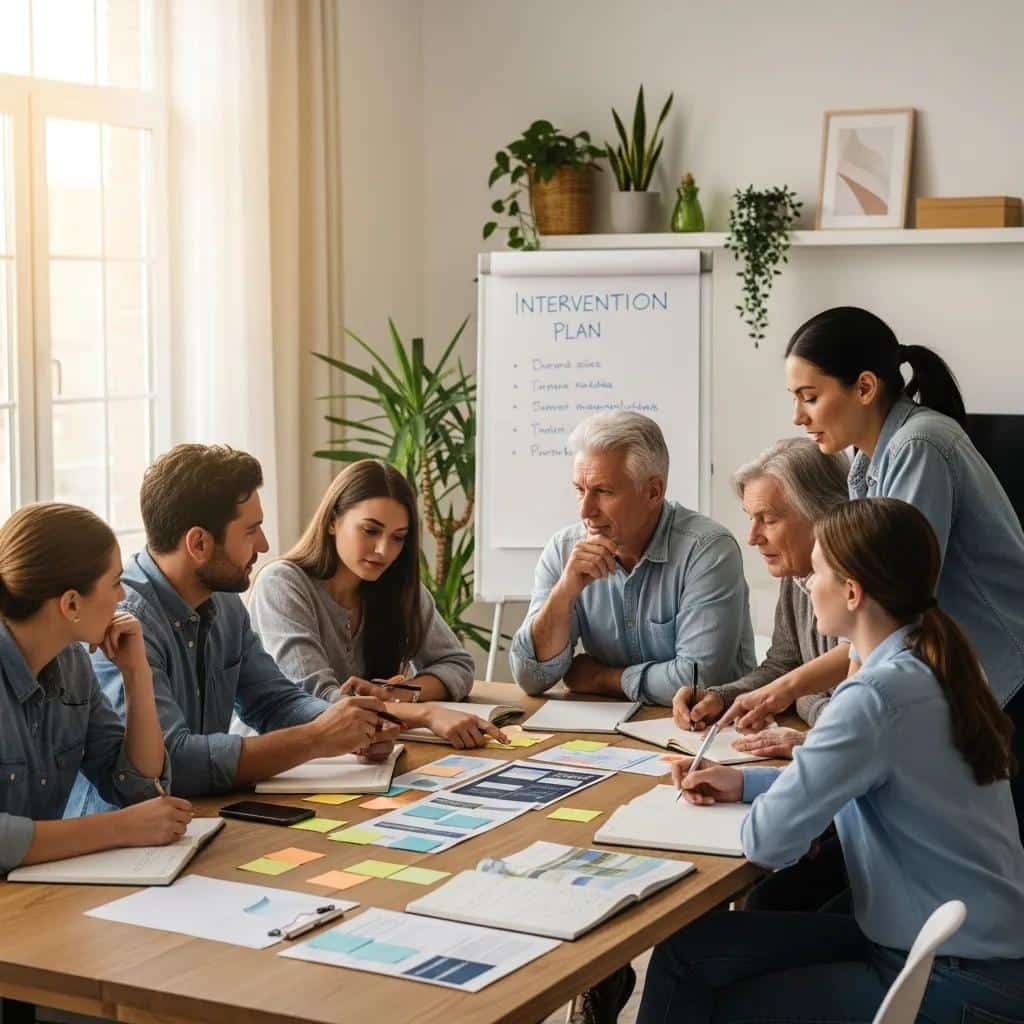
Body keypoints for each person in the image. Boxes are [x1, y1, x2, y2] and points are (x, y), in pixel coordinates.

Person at [638, 497, 1024, 1024]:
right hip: (970, 952)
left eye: (815, 572)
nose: (806, 585)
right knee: (691, 949)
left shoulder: (875, 697)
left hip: (948, 975)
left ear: (852, 591)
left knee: (709, 992)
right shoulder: (938, 663)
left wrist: (777, 794)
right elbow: (870, 781)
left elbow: (769, 841)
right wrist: (745, 781)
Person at [724, 306, 1024, 834]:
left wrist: (828, 725)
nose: (798, 417)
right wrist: (782, 692)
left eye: (809, 397)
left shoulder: (919, 445)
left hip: (1003, 678)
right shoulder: (867, 459)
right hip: (953, 677)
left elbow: (888, 613)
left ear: (864, 387)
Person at [68, 444, 398, 811]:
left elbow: (274, 701)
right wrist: (316, 738)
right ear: (199, 543)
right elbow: (171, 761)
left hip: (198, 820)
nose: (265, 544)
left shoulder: (222, 601)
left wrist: (350, 725)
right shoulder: (122, 621)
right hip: (123, 845)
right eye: (251, 530)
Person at [250, 460, 505, 749]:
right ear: (333, 521)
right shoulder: (282, 584)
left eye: (398, 538)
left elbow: (457, 665)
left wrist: (400, 694)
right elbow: (317, 700)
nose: (384, 550)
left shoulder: (398, 587)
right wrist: (426, 713)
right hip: (277, 766)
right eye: (370, 531)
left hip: (358, 761)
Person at [510, 411, 755, 706]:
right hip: (606, 736)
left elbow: (697, 680)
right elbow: (530, 677)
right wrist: (564, 593)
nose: (585, 511)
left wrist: (602, 678)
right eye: (580, 490)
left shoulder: (707, 550)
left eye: (602, 491)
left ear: (653, 492)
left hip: (705, 733)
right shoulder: (564, 550)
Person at [0, 502, 192, 873]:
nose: (122, 598)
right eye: (116, 582)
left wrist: (136, 673)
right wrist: (118, 828)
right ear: (71, 603)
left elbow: (138, 788)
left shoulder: (73, 665)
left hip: (34, 900)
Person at [672, 437, 850, 760]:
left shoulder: (858, 591)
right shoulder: (796, 571)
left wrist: (806, 703)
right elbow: (784, 664)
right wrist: (722, 697)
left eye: (768, 520)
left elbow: (857, 713)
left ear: (821, 515)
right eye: (750, 517)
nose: (752, 537)